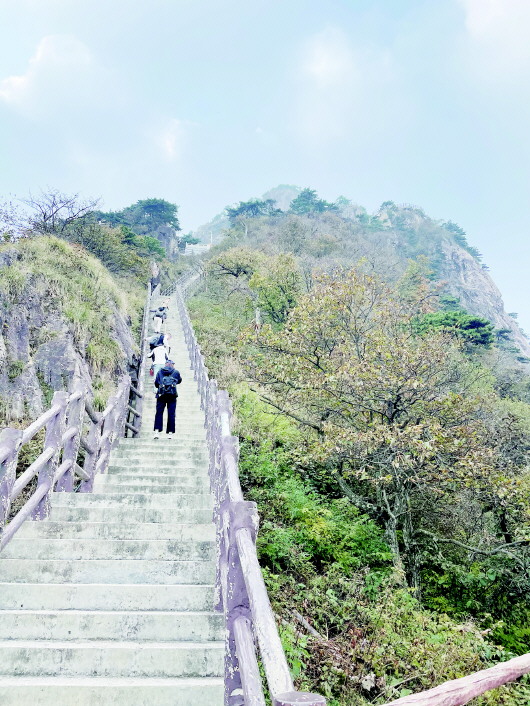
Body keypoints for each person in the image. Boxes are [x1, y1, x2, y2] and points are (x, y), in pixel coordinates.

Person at [153, 360, 182, 439]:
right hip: (172, 395)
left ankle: (157, 432)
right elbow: (179, 381)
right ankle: (170, 433)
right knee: (171, 413)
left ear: (165, 364)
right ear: (172, 365)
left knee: (159, 412)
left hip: (161, 395)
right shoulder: (176, 372)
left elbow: (156, 383)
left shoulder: (160, 372)